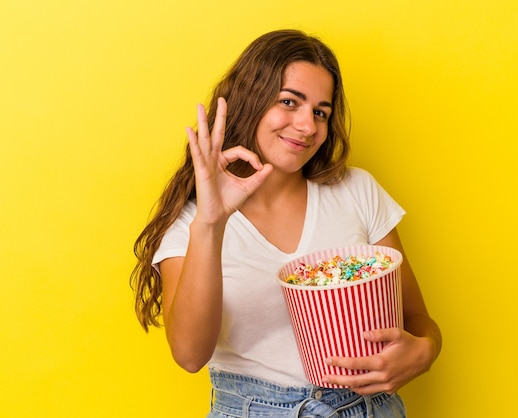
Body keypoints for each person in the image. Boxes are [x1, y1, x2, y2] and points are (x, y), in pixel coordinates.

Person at [131, 29, 442, 417]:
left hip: (369, 408)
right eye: (289, 102)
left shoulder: (356, 190)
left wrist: (425, 350)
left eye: (320, 112)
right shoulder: (193, 221)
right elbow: (190, 355)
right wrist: (212, 222)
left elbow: (417, 319)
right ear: (252, 100)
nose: (308, 126)